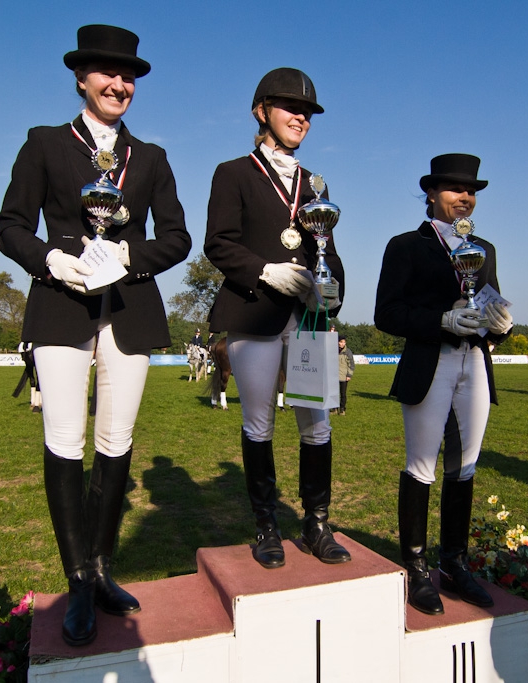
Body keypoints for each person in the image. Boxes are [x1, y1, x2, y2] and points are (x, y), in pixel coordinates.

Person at [0, 24, 190, 647]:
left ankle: (102, 569)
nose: (120, 84)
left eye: (129, 75)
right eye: (107, 73)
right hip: (60, 306)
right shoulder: (46, 143)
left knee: (116, 437)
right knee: (65, 439)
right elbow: (10, 225)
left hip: (129, 308)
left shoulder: (153, 158)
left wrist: (128, 259)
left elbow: (177, 238)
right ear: (81, 79)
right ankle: (76, 578)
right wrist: (55, 259)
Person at [205, 67, 350, 570]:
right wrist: (265, 270)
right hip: (255, 311)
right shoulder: (234, 172)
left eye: (307, 112)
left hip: (308, 320)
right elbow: (218, 242)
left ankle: (316, 524)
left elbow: (327, 249)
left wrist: (331, 293)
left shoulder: (315, 184)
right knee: (260, 422)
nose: (301, 117)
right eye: (291, 108)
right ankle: (266, 526)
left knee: (318, 424)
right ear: (261, 111)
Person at [375, 153, 513, 616]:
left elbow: (489, 307)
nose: (465, 197)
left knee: (465, 465)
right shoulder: (405, 246)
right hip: (430, 362)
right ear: (431, 193)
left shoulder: (485, 249)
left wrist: (502, 326)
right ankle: (415, 566)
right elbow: (386, 313)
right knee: (422, 465)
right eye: (455, 189)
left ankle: (454, 561)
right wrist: (441, 320)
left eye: (471, 190)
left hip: (475, 363)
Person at [337, 335, 354, 415]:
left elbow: (351, 364)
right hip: (334, 376)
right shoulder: (333, 350)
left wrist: (349, 375)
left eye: (344, 342)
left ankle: (342, 409)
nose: (342, 344)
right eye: (341, 342)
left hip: (344, 376)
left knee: (343, 394)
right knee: (334, 393)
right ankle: (334, 409)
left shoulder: (348, 352)